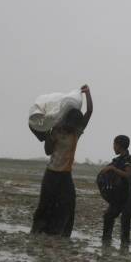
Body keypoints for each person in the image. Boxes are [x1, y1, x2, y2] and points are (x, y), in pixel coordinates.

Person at [31, 84, 93, 237]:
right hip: (51, 173)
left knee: (68, 203)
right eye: (73, 124)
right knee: (45, 203)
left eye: (76, 125)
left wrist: (87, 94)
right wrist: (48, 136)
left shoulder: (76, 133)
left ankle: (62, 232)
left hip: (65, 174)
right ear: (68, 121)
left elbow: (89, 112)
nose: (75, 127)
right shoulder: (56, 130)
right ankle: (39, 230)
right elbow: (47, 151)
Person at [100, 135, 131, 249]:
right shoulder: (117, 160)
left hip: (130, 194)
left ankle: (125, 245)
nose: (113, 147)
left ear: (119, 145)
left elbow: (128, 175)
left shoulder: (128, 159)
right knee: (108, 216)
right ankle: (106, 242)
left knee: (125, 219)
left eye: (114, 144)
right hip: (119, 194)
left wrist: (113, 169)